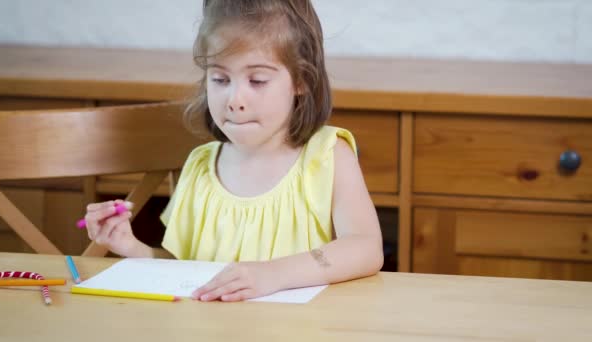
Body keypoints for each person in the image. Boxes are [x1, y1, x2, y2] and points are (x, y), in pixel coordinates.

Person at [84, 0, 383, 302]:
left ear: (301, 80)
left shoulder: (328, 156)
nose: (235, 99)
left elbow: (366, 248)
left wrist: (274, 274)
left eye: (257, 80)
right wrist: (132, 247)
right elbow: (185, 270)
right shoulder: (200, 167)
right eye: (220, 79)